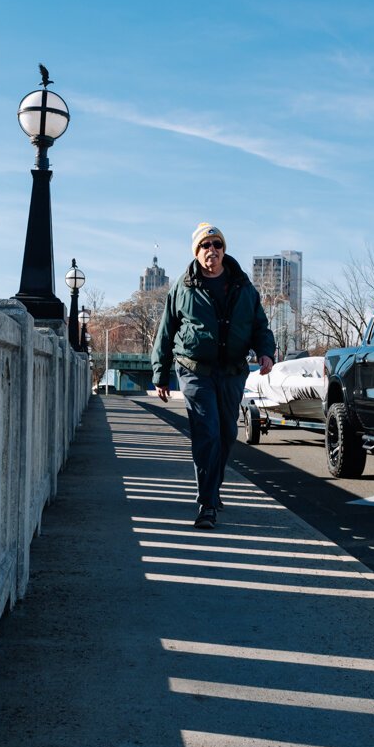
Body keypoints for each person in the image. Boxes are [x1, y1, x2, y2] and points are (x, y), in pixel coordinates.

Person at [151, 222, 276, 529]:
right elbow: (166, 331)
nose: (212, 251)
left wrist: (266, 351)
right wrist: (160, 373)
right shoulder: (183, 287)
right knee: (207, 434)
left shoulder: (244, 287)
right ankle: (207, 504)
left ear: (224, 249)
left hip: (232, 372)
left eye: (217, 245)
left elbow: (260, 326)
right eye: (206, 246)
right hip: (194, 370)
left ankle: (212, 488)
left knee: (227, 434)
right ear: (197, 251)